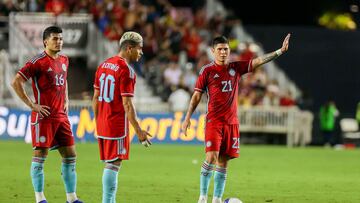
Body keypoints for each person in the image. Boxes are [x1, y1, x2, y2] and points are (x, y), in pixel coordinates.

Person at [182, 34, 291, 203]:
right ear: (213, 51)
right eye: (220, 49)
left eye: (226, 49)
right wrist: (187, 117)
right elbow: (196, 96)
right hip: (214, 122)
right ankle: (202, 197)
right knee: (211, 157)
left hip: (231, 123)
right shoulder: (207, 71)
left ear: (229, 50)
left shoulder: (236, 68)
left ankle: (217, 199)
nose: (223, 52)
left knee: (224, 162)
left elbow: (258, 60)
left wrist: (279, 51)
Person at [11, 26, 83, 203]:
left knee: (70, 155)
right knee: (40, 156)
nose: (59, 41)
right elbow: (16, 82)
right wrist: (31, 105)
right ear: (45, 41)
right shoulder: (38, 62)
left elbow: (63, 81)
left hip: (61, 117)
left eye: (60, 38)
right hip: (43, 117)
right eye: (55, 39)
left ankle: (72, 198)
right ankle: (40, 198)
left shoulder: (65, 59)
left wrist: (66, 100)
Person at [92, 31, 152, 203]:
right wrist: (138, 130)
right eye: (139, 49)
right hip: (116, 124)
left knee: (110, 163)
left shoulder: (103, 65)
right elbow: (127, 104)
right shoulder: (126, 70)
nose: (141, 53)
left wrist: (98, 121)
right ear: (129, 48)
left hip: (103, 122)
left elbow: (95, 98)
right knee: (114, 164)